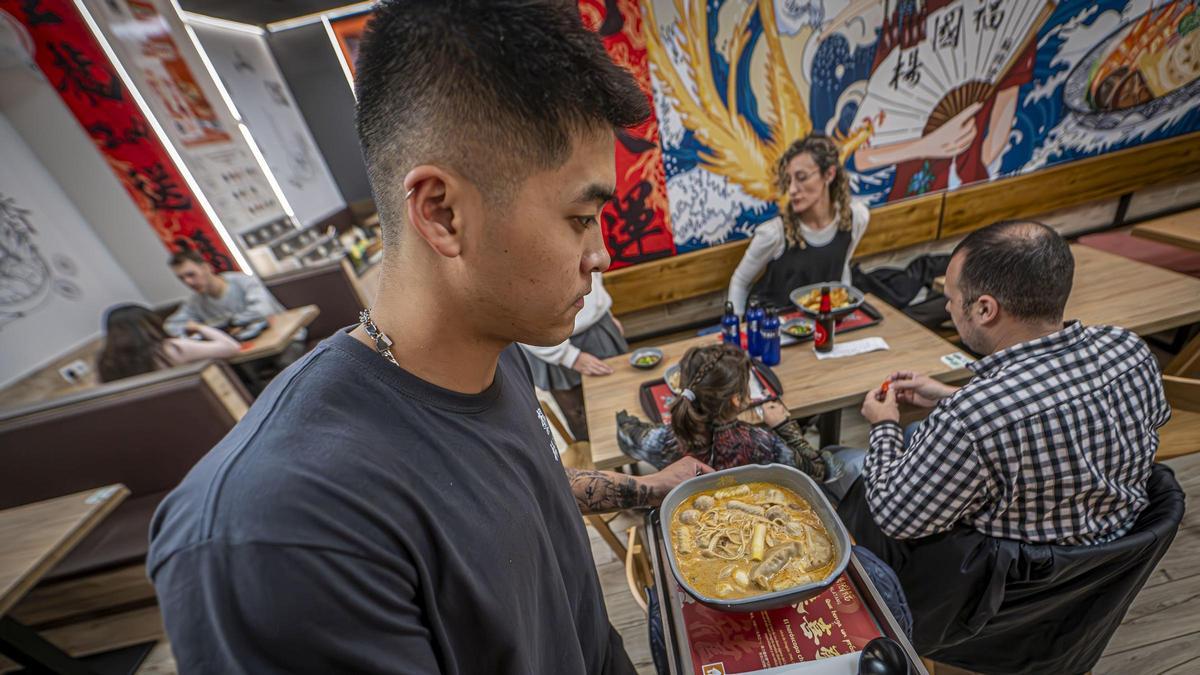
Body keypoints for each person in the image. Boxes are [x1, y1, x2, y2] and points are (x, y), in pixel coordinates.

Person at [147, 2, 710, 673]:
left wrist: (652, 488)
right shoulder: (276, 534)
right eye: (580, 217)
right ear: (442, 213)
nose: (600, 254)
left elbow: (520, 491)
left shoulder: (496, 357)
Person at [843, 221, 1171, 645]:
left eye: (951, 299)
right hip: (1101, 583)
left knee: (847, 465)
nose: (947, 309)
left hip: (1000, 608)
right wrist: (949, 395)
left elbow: (893, 515)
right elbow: (1058, 412)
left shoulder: (973, 417)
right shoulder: (1128, 350)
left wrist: (884, 423)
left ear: (984, 309)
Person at [617, 342, 834, 480]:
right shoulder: (762, 443)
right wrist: (784, 426)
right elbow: (818, 471)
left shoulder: (665, 439)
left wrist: (627, 420)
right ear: (737, 399)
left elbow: (627, 434)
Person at [727, 133, 870, 314]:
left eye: (802, 178)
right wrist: (736, 334)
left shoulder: (856, 218)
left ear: (829, 174)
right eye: (790, 180)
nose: (792, 189)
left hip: (822, 325)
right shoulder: (774, 233)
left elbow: (842, 269)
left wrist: (843, 311)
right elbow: (740, 281)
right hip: (774, 327)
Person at [520, 271, 625, 440]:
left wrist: (605, 311)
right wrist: (568, 356)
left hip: (598, 326)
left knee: (619, 403)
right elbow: (517, 313)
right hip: (549, 341)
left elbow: (592, 272)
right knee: (583, 423)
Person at [163, 249, 301, 342]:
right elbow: (172, 325)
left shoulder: (244, 281)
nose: (188, 282)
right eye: (181, 278)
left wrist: (226, 324)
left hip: (286, 338)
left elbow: (262, 311)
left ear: (206, 268)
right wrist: (199, 333)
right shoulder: (195, 302)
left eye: (191, 275)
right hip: (250, 348)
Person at [96, 304, 239, 382]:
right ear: (151, 324)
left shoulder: (107, 362)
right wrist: (198, 327)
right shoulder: (169, 349)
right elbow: (231, 348)